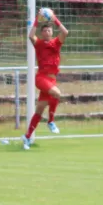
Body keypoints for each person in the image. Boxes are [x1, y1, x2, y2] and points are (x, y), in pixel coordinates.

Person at [21, 9, 69, 150]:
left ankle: (27, 137)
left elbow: (65, 32)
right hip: (41, 78)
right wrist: (37, 19)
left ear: (52, 32)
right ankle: (51, 121)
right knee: (57, 94)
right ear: (42, 33)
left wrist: (55, 19)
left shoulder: (56, 43)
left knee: (39, 110)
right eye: (45, 31)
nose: (47, 32)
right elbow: (31, 35)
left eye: (49, 30)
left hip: (52, 80)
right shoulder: (39, 44)